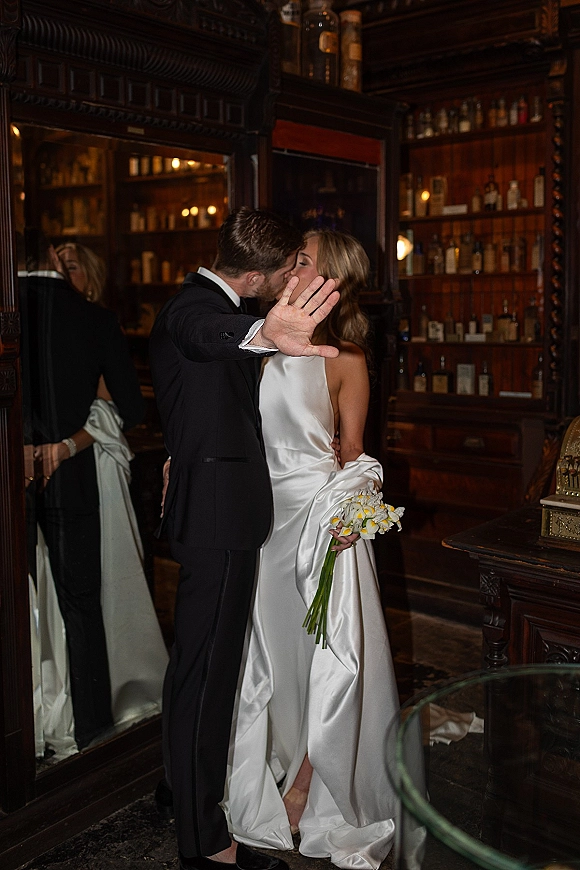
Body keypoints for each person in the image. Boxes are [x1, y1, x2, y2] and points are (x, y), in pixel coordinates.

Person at [148, 207, 340, 870]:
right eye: (289, 269)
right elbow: (209, 335)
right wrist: (264, 330)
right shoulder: (194, 308)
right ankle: (207, 845)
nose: (296, 277)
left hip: (214, 513)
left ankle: (181, 796)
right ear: (254, 273)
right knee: (209, 680)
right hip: (218, 520)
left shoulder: (202, 301)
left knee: (195, 674)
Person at [223, 230, 400, 869]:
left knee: (324, 658)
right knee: (269, 656)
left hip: (319, 524)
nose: (290, 265)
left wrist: (355, 512)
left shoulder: (347, 357)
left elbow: (356, 456)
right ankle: (260, 766)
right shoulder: (259, 343)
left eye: (303, 258)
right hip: (259, 523)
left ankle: (304, 786)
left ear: (333, 279)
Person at [27, 239, 168, 760]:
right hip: (66, 470)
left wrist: (63, 446)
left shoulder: (89, 324)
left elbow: (117, 412)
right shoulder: (72, 327)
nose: (62, 271)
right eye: (57, 263)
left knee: (90, 588)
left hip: (89, 468)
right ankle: (67, 709)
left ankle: (95, 705)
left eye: (72, 265)